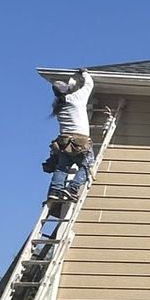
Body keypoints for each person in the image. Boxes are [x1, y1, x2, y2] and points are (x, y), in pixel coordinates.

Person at [43, 70, 95, 204]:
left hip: (63, 142)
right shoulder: (76, 99)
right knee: (87, 165)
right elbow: (89, 85)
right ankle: (72, 189)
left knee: (62, 167)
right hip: (80, 141)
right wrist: (85, 74)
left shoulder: (58, 106)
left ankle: (55, 191)